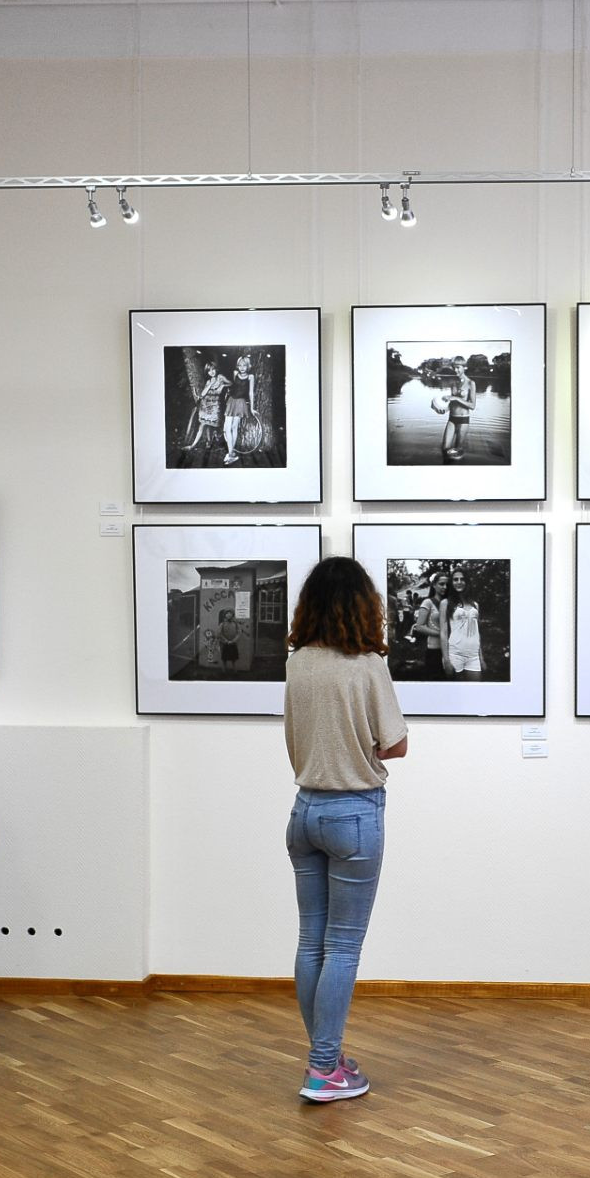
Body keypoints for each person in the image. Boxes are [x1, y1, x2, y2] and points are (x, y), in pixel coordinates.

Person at [283, 556, 409, 1102]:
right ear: (363, 606)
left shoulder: (297, 664)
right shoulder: (367, 667)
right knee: (343, 947)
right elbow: (396, 744)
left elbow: (294, 740)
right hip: (354, 813)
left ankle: (326, 1060)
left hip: (304, 811)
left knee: (313, 940)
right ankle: (323, 1069)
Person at [182, 359, 229, 464]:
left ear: (216, 369)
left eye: (213, 369)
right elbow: (203, 394)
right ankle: (193, 445)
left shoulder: (220, 378)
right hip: (206, 405)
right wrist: (209, 385)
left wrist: (223, 385)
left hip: (215, 405)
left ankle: (215, 442)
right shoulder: (208, 381)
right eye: (209, 371)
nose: (212, 372)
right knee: (202, 425)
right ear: (207, 372)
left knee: (216, 425)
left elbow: (230, 383)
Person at [442, 567, 484, 682]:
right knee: (457, 693)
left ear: (467, 582)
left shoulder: (475, 605)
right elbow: (444, 633)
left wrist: (481, 657)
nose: (459, 582)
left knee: (475, 691)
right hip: (455, 654)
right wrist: (446, 659)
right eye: (455, 579)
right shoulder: (446, 603)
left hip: (473, 655)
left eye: (462, 579)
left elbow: (477, 632)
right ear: (451, 582)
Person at [223, 354, 257, 465]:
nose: (242, 367)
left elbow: (251, 393)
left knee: (234, 427)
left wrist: (251, 408)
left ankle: (230, 454)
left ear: (248, 366)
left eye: (244, 365)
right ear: (238, 366)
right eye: (240, 365)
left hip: (241, 403)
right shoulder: (235, 373)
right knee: (227, 428)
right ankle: (231, 453)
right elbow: (232, 386)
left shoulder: (250, 377)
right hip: (231, 401)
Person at [441, 357, 476, 461]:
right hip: (451, 419)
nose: (455, 370)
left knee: (458, 450)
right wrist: (443, 409)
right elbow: (452, 403)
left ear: (464, 367)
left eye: (458, 367)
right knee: (445, 449)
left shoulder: (471, 383)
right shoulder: (453, 383)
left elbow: (472, 406)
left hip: (463, 420)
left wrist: (456, 397)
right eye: (454, 368)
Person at [412, 583, 446, 679]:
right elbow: (419, 627)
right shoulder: (428, 602)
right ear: (434, 585)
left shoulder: (450, 602)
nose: (444, 586)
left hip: (452, 649)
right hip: (434, 648)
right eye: (441, 584)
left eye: (447, 584)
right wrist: (441, 634)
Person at [216, 608, 245, 674]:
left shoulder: (235, 624)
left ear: (232, 615)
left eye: (230, 613)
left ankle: (234, 670)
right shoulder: (222, 624)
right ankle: (224, 670)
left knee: (233, 658)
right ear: (225, 615)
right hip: (225, 643)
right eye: (227, 613)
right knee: (224, 658)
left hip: (233, 643)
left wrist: (233, 640)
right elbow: (219, 633)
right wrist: (226, 640)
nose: (228, 615)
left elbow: (239, 632)